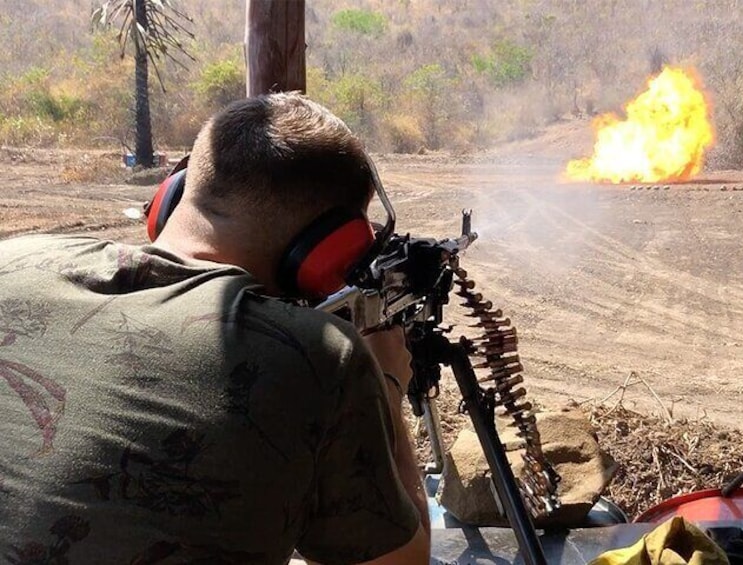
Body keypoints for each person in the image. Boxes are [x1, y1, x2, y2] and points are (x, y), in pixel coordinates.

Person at [0, 93, 430, 564]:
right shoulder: (318, 355)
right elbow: (400, 561)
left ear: (172, 194)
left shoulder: (13, 260)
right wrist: (387, 381)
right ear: (329, 252)